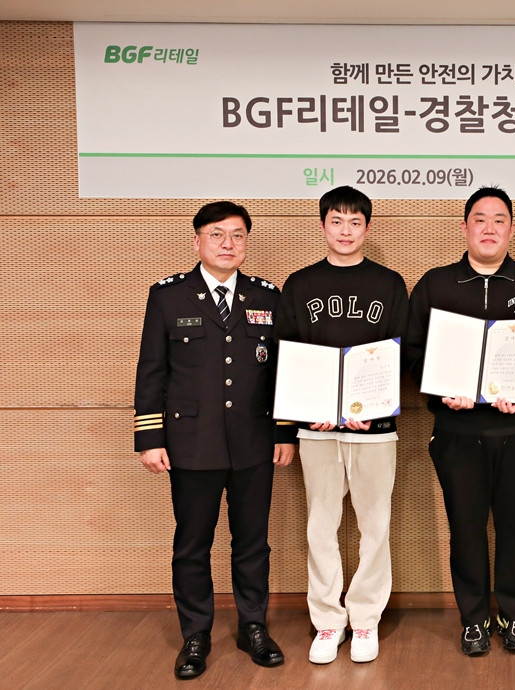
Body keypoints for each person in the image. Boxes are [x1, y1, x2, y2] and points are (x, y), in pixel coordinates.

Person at [133, 201, 297, 680]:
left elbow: (282, 371)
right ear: (197, 241)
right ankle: (195, 634)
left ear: (247, 242)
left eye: (238, 235)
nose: (229, 244)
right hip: (191, 443)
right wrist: (149, 438)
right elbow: (151, 370)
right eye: (217, 234)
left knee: (253, 542)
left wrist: (284, 431)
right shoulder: (169, 296)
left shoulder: (267, 295)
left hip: (254, 442)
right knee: (192, 544)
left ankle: (253, 627)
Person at [404, 186, 515, 656]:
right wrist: (440, 392)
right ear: (465, 228)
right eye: (480, 219)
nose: (489, 228)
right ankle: (473, 619)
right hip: (457, 432)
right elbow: (413, 351)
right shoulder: (435, 285)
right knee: (465, 528)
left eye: (499, 220)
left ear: (511, 229)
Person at [274, 186, 408, 664]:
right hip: (317, 428)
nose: (345, 231)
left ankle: (365, 618)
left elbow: (400, 351)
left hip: (375, 428)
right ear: (323, 225)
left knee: (375, 525)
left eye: (355, 222)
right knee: (320, 526)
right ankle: (328, 621)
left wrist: (372, 407)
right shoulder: (300, 283)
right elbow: (287, 356)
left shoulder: (389, 284)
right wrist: (297, 419)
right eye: (336, 221)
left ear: (367, 228)